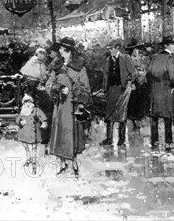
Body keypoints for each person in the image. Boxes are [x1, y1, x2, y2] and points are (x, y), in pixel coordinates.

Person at [47, 37, 91, 176]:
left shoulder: (79, 67)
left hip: (74, 106)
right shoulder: (56, 66)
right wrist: (58, 88)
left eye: (61, 48)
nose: (59, 51)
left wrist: (81, 102)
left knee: (73, 135)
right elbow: (49, 84)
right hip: (60, 105)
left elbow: (86, 87)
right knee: (60, 134)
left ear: (68, 50)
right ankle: (62, 163)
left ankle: (73, 162)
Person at [146, 36, 174, 151]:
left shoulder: (154, 57)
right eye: (172, 44)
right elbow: (172, 75)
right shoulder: (169, 58)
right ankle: (168, 141)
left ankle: (154, 141)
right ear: (167, 45)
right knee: (167, 117)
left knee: (154, 117)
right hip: (166, 90)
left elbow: (148, 72)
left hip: (155, 90)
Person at [101, 39, 138, 146]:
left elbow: (134, 73)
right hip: (112, 89)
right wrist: (105, 89)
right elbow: (106, 76)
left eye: (111, 48)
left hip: (123, 89)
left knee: (121, 113)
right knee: (109, 113)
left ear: (117, 48)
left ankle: (121, 138)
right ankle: (109, 138)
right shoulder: (108, 59)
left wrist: (129, 82)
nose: (110, 50)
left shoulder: (125, 58)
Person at [16, 93, 48, 174]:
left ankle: (34, 164)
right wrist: (20, 122)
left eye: (28, 102)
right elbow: (17, 120)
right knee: (26, 147)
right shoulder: (23, 111)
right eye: (25, 102)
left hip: (33, 134)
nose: (27, 103)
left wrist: (44, 123)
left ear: (31, 102)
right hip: (24, 133)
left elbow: (43, 118)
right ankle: (28, 160)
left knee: (33, 148)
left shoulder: (36, 110)